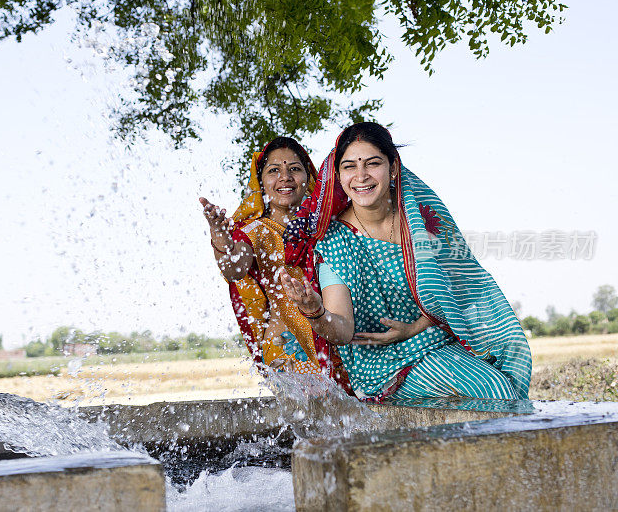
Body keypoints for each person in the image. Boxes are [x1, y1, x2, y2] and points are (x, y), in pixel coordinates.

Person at [280, 122, 531, 401]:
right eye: (349, 167)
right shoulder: (335, 240)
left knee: (513, 353)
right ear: (338, 177)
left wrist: (416, 327)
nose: (361, 176)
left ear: (393, 168)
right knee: (491, 390)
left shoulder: (420, 219)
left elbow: (460, 287)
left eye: (372, 163)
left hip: (437, 338)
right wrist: (315, 311)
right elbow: (343, 329)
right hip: (382, 363)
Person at [199, 137, 348, 384]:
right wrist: (220, 237)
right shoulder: (253, 231)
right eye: (273, 170)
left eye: (294, 169)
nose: (285, 176)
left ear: (309, 178)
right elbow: (235, 268)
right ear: (261, 184)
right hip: (287, 350)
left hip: (338, 340)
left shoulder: (328, 226)